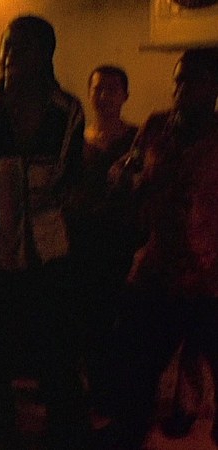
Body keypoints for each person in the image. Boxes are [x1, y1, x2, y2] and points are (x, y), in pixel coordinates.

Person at [0, 15, 87, 449]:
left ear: (45, 54)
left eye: (22, 46)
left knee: (57, 352)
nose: (10, 54)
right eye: (7, 45)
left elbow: (72, 176)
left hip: (49, 249)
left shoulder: (66, 110)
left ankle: (67, 434)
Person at [105, 47, 218, 449]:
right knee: (134, 369)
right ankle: (127, 434)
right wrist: (124, 177)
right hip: (157, 267)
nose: (180, 89)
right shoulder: (156, 127)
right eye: (178, 79)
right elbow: (132, 170)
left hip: (209, 276)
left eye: (192, 80)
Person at [65, 65, 140, 426]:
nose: (104, 96)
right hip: (84, 244)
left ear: (125, 95)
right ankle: (99, 395)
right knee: (90, 321)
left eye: (112, 89)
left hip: (124, 242)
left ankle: (123, 397)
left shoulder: (138, 140)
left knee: (124, 322)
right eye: (97, 89)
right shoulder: (77, 140)